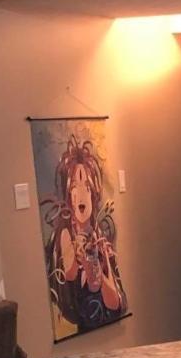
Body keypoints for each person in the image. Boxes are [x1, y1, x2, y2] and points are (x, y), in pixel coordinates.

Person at [48, 134, 126, 329]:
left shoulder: (101, 235)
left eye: (86, 188)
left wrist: (101, 261)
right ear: (69, 195)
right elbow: (70, 274)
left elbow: (114, 302)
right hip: (80, 324)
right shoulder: (65, 234)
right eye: (75, 186)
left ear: (94, 193)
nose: (81, 194)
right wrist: (79, 253)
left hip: (103, 320)